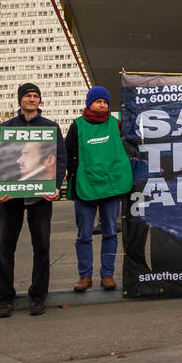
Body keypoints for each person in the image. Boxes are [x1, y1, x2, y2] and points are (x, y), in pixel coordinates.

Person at [0, 82, 66, 317]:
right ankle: (5, 298)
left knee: (41, 247)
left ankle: (38, 297)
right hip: (9, 198)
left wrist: (56, 185)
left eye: (35, 96)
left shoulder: (51, 128)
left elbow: (60, 160)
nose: (31, 99)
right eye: (27, 96)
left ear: (40, 101)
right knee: (5, 248)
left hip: (40, 198)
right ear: (20, 100)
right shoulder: (5, 129)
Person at [67, 85, 132, 293]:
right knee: (84, 235)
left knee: (111, 233)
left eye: (105, 101)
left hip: (111, 187)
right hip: (86, 187)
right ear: (89, 103)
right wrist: (74, 174)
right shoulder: (77, 126)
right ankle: (85, 276)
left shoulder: (116, 124)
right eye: (98, 101)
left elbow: (128, 148)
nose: (102, 104)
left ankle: (107, 274)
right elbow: (67, 154)